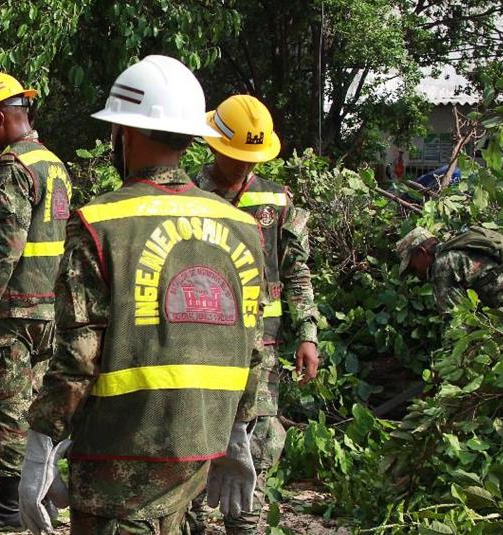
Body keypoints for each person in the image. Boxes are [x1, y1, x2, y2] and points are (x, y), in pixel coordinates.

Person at [20, 55, 266, 535]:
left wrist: (40, 442)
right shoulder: (242, 226)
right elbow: (250, 346)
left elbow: (78, 356)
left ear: (125, 133)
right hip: (200, 448)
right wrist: (239, 431)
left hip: (119, 455)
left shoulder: (101, 223)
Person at [190, 94, 320, 533]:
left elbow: (296, 271)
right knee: (195, 440)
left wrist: (307, 333)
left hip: (261, 350)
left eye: (251, 158)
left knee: (255, 445)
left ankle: (244, 526)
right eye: (235, 156)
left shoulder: (276, 200)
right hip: (198, 347)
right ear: (213, 145)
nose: (244, 166)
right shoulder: (188, 196)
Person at [0, 71, 73, 529]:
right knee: (36, 402)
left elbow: (7, 245)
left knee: (3, 403)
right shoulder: (54, 164)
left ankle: (9, 503)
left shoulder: (13, 166)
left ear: (2, 118)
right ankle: (41, 491)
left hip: (15, 308)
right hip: (49, 308)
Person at [396, 226, 503, 311]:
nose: (416, 274)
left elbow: (456, 319)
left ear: (421, 252)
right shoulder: (459, 246)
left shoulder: (442, 265)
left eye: (413, 267)